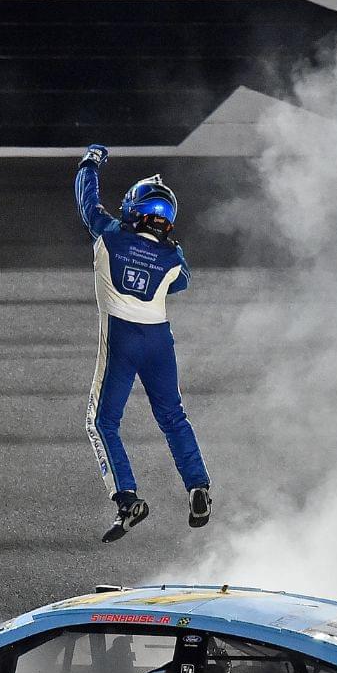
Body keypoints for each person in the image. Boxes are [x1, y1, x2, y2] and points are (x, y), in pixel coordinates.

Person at [74, 144, 211, 542]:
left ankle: (127, 498)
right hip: (158, 341)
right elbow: (182, 282)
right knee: (173, 416)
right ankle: (198, 486)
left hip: (122, 338)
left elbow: (87, 201)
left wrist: (89, 162)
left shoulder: (110, 235)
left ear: (133, 210)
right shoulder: (173, 257)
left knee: (101, 423)